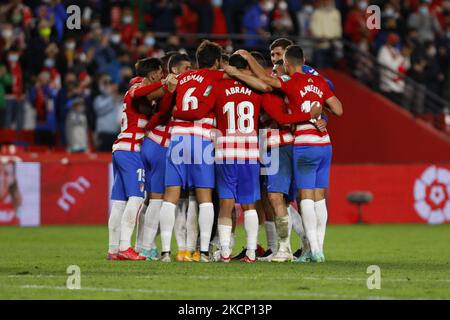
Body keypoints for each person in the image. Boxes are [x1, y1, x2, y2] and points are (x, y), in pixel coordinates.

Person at [255, 45, 343, 262]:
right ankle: (318, 248)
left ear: (286, 63)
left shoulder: (289, 81)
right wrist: (321, 111)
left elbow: (266, 81)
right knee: (319, 198)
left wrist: (248, 60)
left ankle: (313, 250)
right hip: (325, 143)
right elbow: (339, 109)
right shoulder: (321, 82)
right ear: (304, 59)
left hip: (303, 143)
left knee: (305, 198)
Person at [107, 57, 166, 261]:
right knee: (137, 197)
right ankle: (125, 246)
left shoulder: (139, 91)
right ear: (152, 74)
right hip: (131, 149)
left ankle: (113, 249)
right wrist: (165, 84)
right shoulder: (136, 88)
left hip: (121, 148)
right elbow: (139, 92)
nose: (162, 75)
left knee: (119, 202)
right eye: (160, 72)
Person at [93, 74, 121, 152]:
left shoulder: (117, 99)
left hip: (116, 134)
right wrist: (112, 99)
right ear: (100, 85)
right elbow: (100, 110)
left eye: (110, 82)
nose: (108, 85)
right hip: (103, 135)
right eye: (105, 83)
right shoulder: (98, 99)